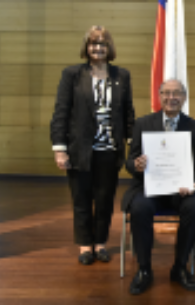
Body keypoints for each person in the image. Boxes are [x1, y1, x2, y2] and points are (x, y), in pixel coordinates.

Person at [50, 25, 135, 265]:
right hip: (79, 150)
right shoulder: (72, 74)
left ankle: (101, 243)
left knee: (105, 199)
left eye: (102, 44)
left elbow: (128, 113)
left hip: (110, 150)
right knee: (81, 198)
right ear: (86, 48)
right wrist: (60, 148)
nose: (98, 48)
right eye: (93, 44)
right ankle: (85, 245)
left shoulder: (122, 76)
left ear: (109, 48)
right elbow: (61, 113)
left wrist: (133, 143)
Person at [121, 79, 195, 295]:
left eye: (177, 93)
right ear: (159, 96)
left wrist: (194, 183)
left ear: (184, 97)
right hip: (149, 187)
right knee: (140, 208)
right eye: (167, 93)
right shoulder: (142, 124)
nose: (172, 97)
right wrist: (137, 165)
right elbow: (129, 162)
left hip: (182, 191)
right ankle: (144, 269)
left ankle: (179, 268)